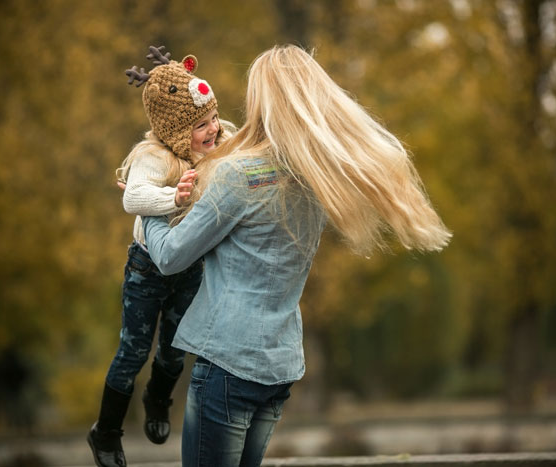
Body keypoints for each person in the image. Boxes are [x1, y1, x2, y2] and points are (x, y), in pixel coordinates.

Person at [142, 44, 452, 466]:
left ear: (263, 101)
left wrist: (151, 207)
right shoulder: (316, 176)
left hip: (228, 363)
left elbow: (169, 257)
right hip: (278, 364)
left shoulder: (239, 176)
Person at [87, 45, 233, 467]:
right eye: (200, 125)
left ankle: (158, 399)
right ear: (173, 130)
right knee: (133, 352)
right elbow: (134, 197)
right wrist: (175, 195)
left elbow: (246, 148)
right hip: (147, 267)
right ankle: (107, 433)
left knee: (174, 349)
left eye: (213, 119)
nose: (212, 129)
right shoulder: (152, 157)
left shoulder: (218, 144)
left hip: (190, 265)